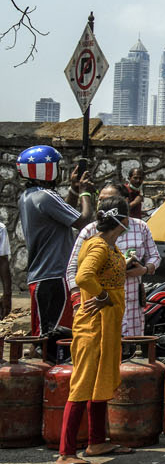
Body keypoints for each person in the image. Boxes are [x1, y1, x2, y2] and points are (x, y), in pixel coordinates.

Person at [50, 202, 136, 464]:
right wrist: (102, 296)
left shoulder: (107, 245)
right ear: (120, 220)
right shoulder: (99, 246)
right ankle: (65, 453)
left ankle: (97, 441)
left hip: (107, 323)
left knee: (101, 378)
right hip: (94, 324)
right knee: (83, 383)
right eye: (128, 217)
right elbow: (84, 275)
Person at [17, 146, 89, 358]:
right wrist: (85, 191)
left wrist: (74, 189)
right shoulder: (46, 196)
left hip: (43, 275)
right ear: (45, 169)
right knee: (53, 336)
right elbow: (83, 220)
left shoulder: (29, 196)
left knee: (44, 333)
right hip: (54, 274)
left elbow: (66, 214)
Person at [65, 182, 160, 339]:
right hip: (98, 304)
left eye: (108, 200)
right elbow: (76, 271)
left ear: (123, 203)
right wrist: (78, 302)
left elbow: (155, 257)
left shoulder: (140, 227)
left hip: (131, 304)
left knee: (127, 354)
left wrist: (143, 270)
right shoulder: (91, 233)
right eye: (100, 200)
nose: (103, 205)